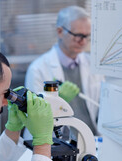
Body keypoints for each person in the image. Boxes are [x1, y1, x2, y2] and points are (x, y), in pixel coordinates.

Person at [25, 6, 104, 135]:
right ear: (60, 31)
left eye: (87, 36)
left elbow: (101, 107)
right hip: (58, 141)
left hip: (91, 138)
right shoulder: (38, 69)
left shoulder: (92, 65)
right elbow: (35, 117)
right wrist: (58, 99)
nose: (83, 42)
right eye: (78, 35)